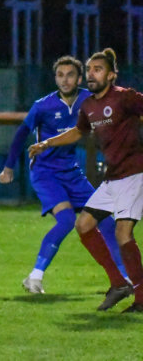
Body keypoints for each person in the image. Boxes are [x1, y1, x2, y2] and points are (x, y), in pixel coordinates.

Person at [0, 55, 127, 296]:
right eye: (60, 75)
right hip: (45, 173)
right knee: (66, 220)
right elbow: (21, 134)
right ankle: (35, 277)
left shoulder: (89, 99)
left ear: (79, 79)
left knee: (107, 221)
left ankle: (125, 278)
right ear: (55, 79)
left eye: (70, 75)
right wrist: (8, 167)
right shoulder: (43, 106)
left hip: (72, 172)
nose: (64, 80)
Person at [29, 48, 143, 312]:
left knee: (122, 233)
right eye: (90, 69)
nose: (91, 74)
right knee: (83, 225)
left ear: (111, 75)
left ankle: (141, 299)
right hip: (113, 178)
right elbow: (78, 131)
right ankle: (118, 283)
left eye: (98, 69)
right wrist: (47, 143)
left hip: (134, 174)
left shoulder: (124, 97)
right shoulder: (89, 105)